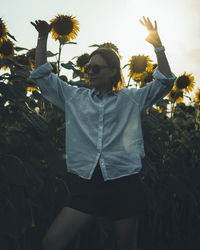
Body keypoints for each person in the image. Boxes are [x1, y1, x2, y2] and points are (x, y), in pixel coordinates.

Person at [30, 16, 176, 250]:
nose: (89, 72)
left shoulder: (131, 99)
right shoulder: (74, 97)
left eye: (95, 68)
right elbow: (42, 76)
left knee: (125, 245)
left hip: (124, 183)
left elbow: (166, 82)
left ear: (113, 72)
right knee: (51, 242)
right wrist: (43, 37)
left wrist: (158, 46)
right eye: (87, 67)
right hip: (87, 184)